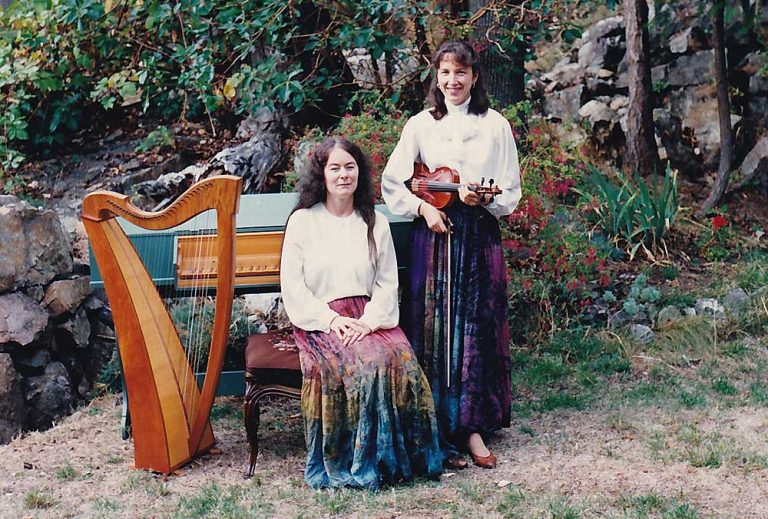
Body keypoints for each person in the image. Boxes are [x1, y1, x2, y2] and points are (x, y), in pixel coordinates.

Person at [381, 40, 522, 470]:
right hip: (435, 233)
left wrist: (486, 201)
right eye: (444, 72)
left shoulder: (496, 125)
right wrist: (423, 208)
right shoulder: (420, 125)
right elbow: (392, 183)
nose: (452, 81)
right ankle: (437, 426)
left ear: (475, 77)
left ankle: (472, 427)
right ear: (436, 77)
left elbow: (510, 191)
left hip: (477, 234)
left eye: (460, 72)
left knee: (475, 326)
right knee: (434, 326)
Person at [280, 136, 443, 489]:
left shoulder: (374, 222)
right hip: (321, 319)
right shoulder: (302, 222)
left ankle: (401, 460)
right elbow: (294, 289)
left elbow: (386, 284)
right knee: (362, 364)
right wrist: (333, 321)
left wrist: (368, 322)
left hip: (368, 314)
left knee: (400, 359)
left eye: (350, 167)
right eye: (334, 168)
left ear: (360, 173)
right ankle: (357, 460)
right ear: (321, 174)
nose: (343, 175)